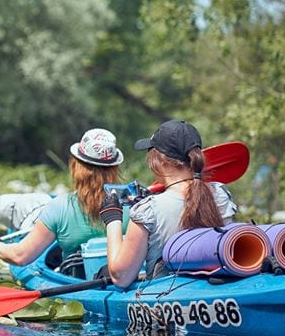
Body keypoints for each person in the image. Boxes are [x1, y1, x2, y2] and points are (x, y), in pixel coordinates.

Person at [99, 119, 238, 288]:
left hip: (164, 302)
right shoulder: (221, 194)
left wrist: (112, 218)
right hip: (217, 289)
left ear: (161, 161)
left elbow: (121, 277)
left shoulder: (148, 210)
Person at [0, 128, 123, 271]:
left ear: (76, 165)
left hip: (75, 282)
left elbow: (20, 256)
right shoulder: (132, 204)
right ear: (115, 167)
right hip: (124, 280)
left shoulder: (59, 207)